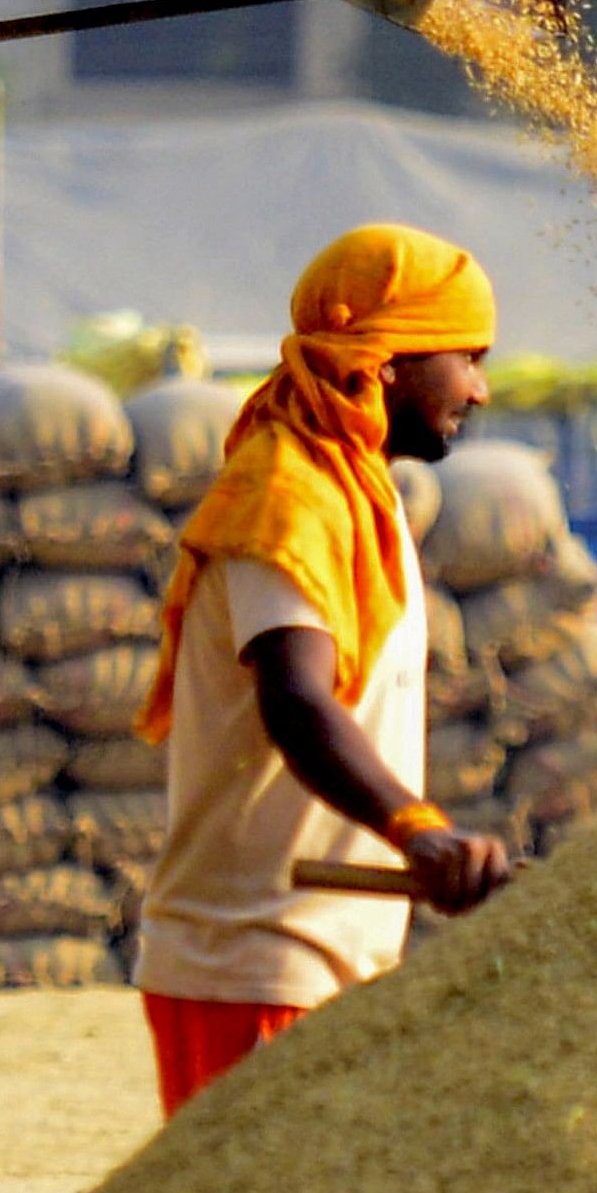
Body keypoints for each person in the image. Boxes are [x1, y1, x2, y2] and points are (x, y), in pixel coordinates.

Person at [132, 225, 519, 1117]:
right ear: (388, 363)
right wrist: (418, 829)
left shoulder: (356, 488)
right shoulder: (287, 492)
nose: (481, 388)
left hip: (328, 961)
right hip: (257, 960)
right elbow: (297, 700)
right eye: (467, 357)